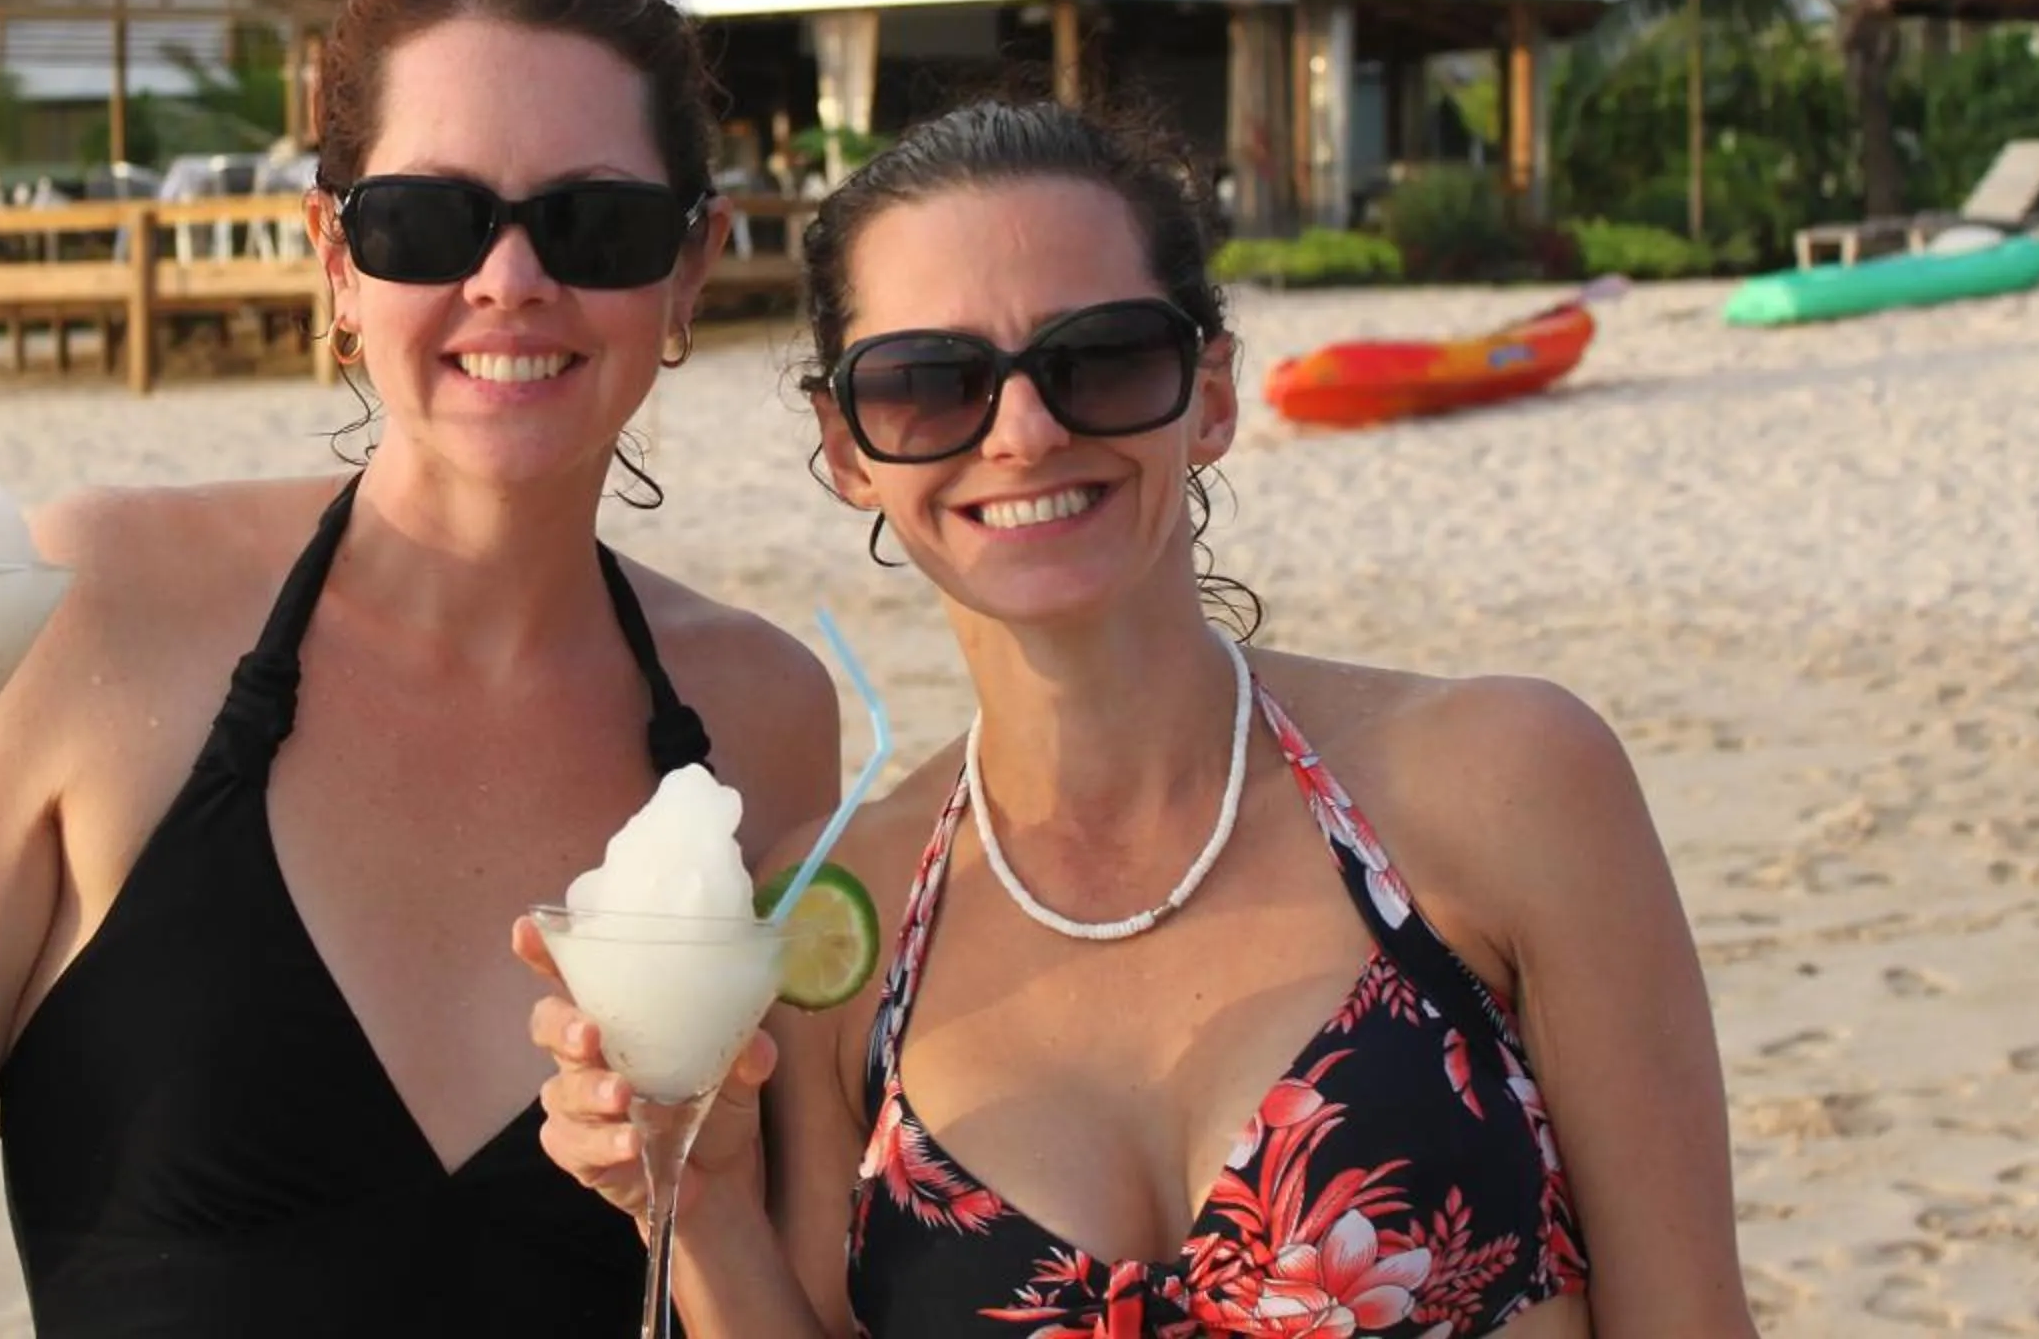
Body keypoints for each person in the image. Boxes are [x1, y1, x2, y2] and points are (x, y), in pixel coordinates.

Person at [0, 0, 842, 1332]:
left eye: (595, 224)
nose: (512, 280)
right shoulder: (101, 608)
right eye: (428, 219)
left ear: (691, 266)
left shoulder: (764, 720)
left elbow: (776, 1290)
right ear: (337, 261)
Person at [529, 99, 1756, 1337]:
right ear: (847, 444)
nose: (1024, 432)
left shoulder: (1506, 787)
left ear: (1208, 394)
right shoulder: (836, 921)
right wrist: (707, 1202)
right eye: (928, 383)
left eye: (1100, 357)